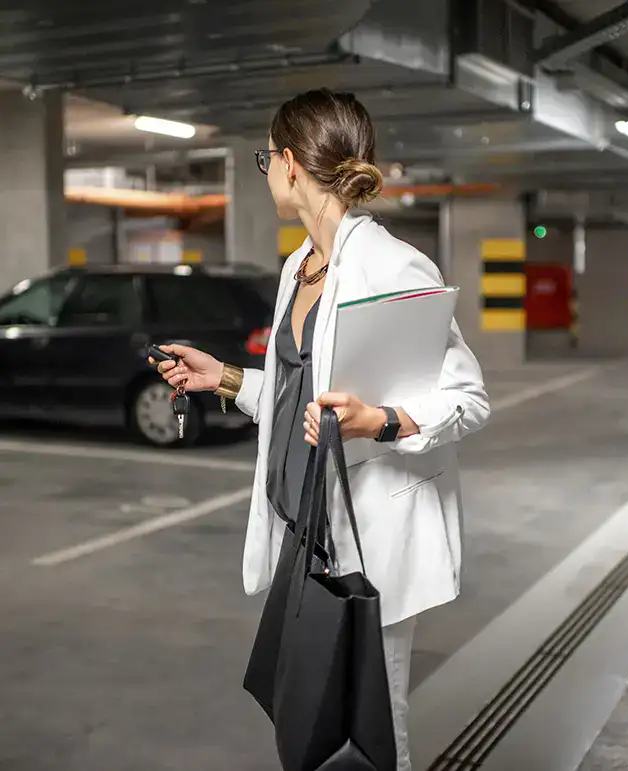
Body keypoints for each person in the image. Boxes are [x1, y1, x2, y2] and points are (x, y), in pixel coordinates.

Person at [151, 88, 490, 771]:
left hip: (372, 543)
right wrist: (221, 377)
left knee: (374, 731)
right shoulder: (298, 266)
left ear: (291, 164)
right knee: (307, 717)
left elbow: (469, 398)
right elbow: (296, 393)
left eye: (265, 159)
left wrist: (382, 421)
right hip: (305, 534)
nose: (267, 172)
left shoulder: (391, 267)